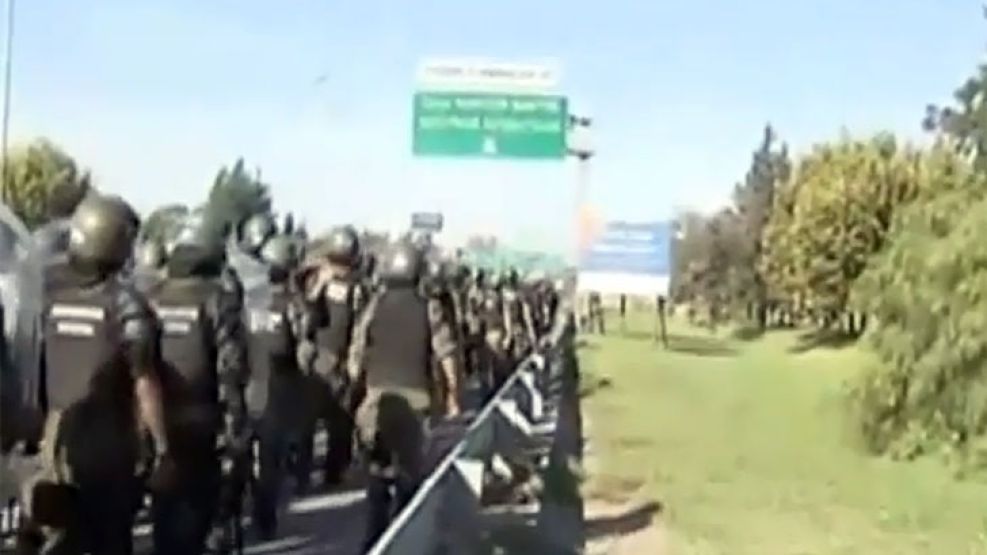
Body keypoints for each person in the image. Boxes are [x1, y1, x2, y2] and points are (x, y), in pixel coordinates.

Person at [18, 194, 171, 555]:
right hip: (108, 447)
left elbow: (27, 350)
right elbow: (144, 380)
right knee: (110, 538)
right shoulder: (125, 300)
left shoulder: (45, 286)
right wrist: (162, 446)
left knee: (53, 535)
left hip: (52, 440)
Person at [144, 214, 249, 555]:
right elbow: (231, 370)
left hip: (155, 421)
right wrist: (236, 432)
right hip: (201, 425)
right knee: (200, 519)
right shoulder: (218, 299)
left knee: (164, 515)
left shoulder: (151, 296)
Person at [347, 240, 460, 551]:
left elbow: (356, 354)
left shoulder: (374, 305)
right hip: (416, 401)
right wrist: (452, 394)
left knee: (377, 478)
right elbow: (446, 353)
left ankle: (373, 542)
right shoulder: (429, 307)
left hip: (376, 400)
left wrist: (356, 391)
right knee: (409, 481)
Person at [295, 225, 366, 492]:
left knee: (340, 420)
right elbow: (304, 311)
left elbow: (359, 323)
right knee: (307, 421)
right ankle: (303, 473)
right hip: (316, 355)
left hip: (341, 357)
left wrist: (353, 361)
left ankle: (334, 472)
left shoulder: (359, 285)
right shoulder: (315, 278)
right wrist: (319, 283)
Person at [252, 233, 309, 539]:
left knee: (243, 457)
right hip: (280, 388)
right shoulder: (293, 303)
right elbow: (304, 348)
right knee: (271, 460)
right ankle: (265, 519)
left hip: (250, 384)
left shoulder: (250, 297)